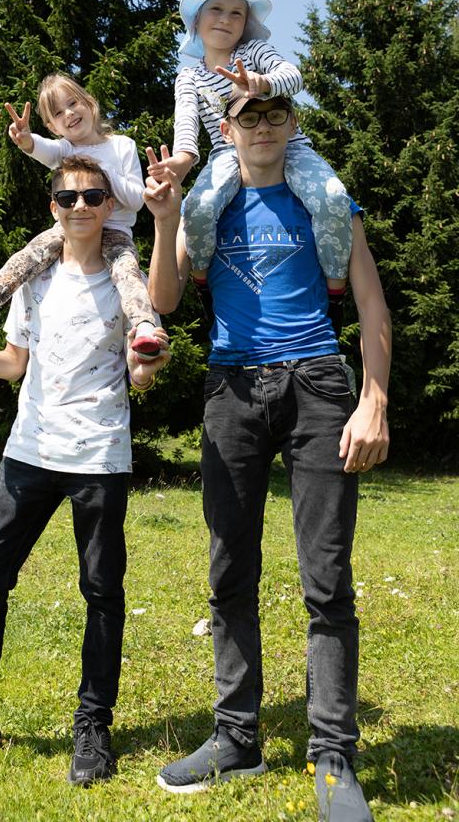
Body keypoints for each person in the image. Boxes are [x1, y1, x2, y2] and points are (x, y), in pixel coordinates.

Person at [144, 92, 390, 821]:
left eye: (274, 117)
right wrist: (162, 219)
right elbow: (163, 299)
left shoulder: (326, 206)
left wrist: (372, 401)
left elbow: (373, 307)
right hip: (231, 390)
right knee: (229, 571)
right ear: (227, 131)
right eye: (248, 118)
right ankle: (237, 739)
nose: (261, 128)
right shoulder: (206, 209)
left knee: (327, 578)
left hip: (316, 384)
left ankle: (334, 757)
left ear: (291, 127)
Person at [0, 155, 170, 787]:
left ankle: (93, 727)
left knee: (101, 593)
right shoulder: (35, 281)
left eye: (92, 197)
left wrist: (146, 370)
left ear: (108, 207)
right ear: (53, 208)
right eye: (68, 198)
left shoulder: (127, 286)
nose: (80, 207)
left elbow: (139, 370)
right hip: (29, 450)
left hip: (99, 455)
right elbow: (14, 365)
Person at [147, 0, 351, 329]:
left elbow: (294, 74)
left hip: (292, 148)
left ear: (246, 24)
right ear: (197, 19)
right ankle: (202, 286)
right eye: (216, 9)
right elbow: (186, 129)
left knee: (333, 197)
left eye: (236, 13)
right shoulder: (189, 77)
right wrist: (179, 163)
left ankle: (335, 295)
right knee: (198, 207)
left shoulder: (254, 53)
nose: (225, 19)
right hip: (229, 154)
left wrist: (263, 82)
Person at [0, 72, 161, 359]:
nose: (69, 113)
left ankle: (144, 327)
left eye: (73, 103)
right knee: (21, 262)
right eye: (58, 113)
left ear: (89, 103)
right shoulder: (65, 149)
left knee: (128, 273)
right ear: (52, 126)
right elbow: (43, 149)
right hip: (67, 232)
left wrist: (100, 171)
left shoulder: (121, 146)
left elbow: (135, 200)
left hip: (115, 232)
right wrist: (25, 140)